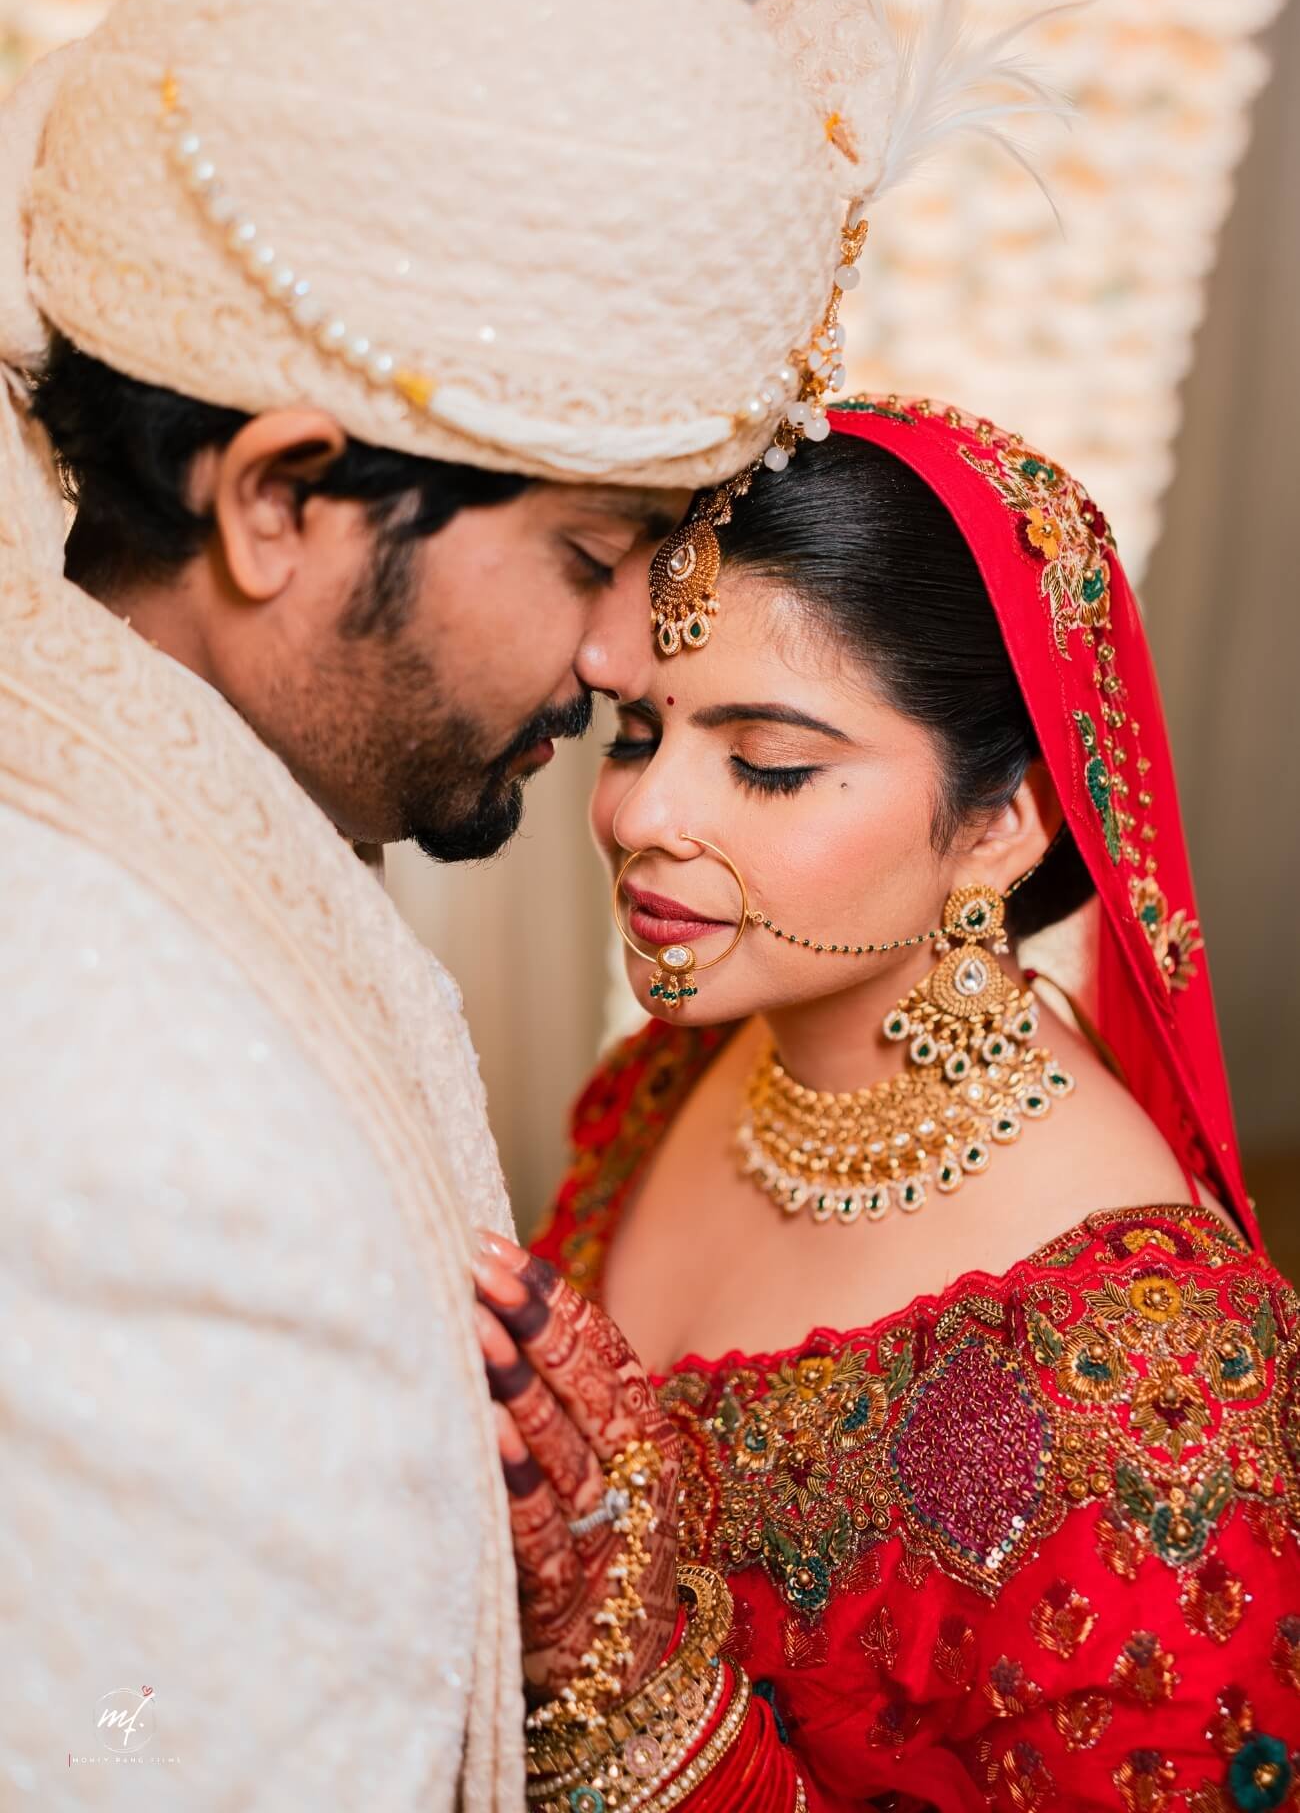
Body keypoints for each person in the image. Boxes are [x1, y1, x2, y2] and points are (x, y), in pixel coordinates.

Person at [0, 0, 1037, 1807]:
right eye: (588, 549)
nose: (620, 661)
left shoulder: (190, 878)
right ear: (279, 497)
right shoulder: (164, 1133)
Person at [474, 398, 1300, 1810]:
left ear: (1000, 826)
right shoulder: (686, 1070)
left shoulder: (1149, 1385)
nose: (640, 813)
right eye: (636, 732)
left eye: (771, 763)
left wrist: (650, 1713)